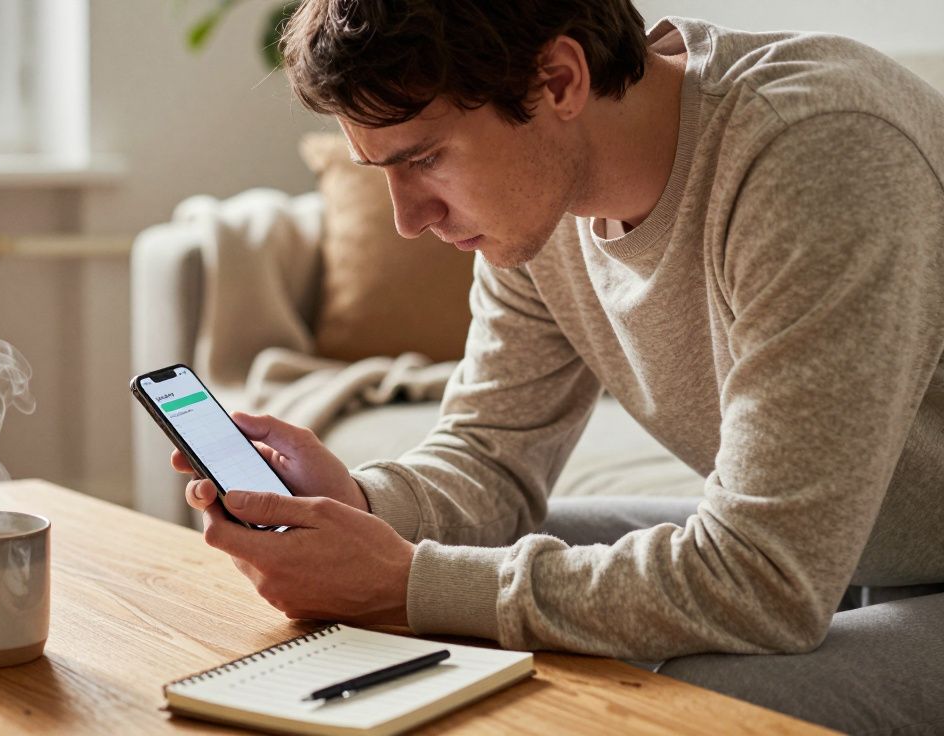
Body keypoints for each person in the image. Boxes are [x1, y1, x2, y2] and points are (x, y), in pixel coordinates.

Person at [170, 1, 944, 730]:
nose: (409, 219)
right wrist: (362, 509)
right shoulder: (539, 210)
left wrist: (402, 585)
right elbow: (491, 458)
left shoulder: (817, 151)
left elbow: (763, 580)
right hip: (836, 554)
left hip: (888, 570)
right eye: (385, 174)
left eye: (427, 159)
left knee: (646, 713)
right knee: (483, 576)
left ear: (558, 80)